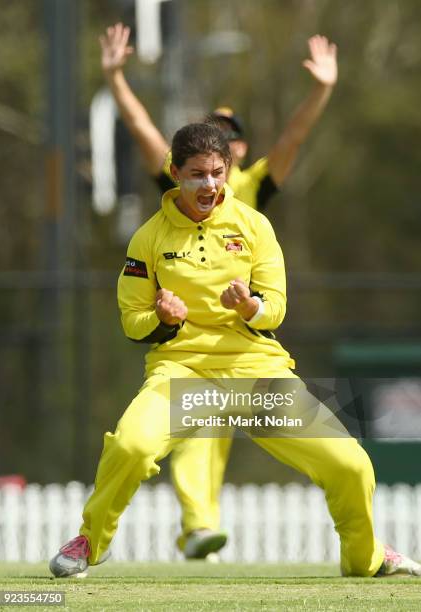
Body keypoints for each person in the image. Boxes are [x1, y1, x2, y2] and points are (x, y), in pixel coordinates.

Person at [50, 123, 421, 578]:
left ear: (228, 171)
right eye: (196, 174)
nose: (208, 185)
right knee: (130, 447)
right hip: (182, 375)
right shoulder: (147, 238)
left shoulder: (254, 225)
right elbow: (132, 319)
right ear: (174, 172)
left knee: (351, 465)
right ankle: (92, 539)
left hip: (256, 374)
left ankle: (366, 558)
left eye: (217, 173)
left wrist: (250, 306)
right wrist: (163, 319)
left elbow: (277, 307)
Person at [97, 23, 339, 559]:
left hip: (244, 338)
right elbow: (140, 128)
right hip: (188, 352)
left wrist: (322, 89)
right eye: (210, 140)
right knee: (196, 429)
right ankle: (199, 525)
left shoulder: (252, 186)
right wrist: (115, 78)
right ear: (184, 166)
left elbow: (294, 138)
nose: (212, 171)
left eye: (228, 142)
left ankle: (200, 525)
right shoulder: (178, 190)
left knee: (288, 434)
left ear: (238, 154)